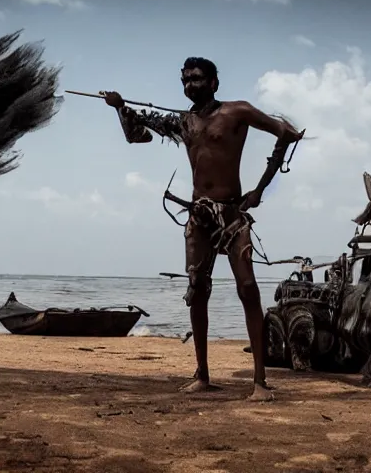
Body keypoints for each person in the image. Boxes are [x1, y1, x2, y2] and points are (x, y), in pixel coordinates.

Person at [103, 57, 302, 401]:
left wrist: (259, 190)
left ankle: (259, 383)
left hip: (232, 213)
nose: (189, 85)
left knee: (249, 289)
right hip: (199, 215)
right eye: (184, 80)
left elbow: (286, 133)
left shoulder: (237, 111)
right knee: (198, 290)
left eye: (196, 79)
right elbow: (138, 136)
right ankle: (203, 375)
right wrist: (120, 108)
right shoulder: (185, 121)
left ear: (213, 82)